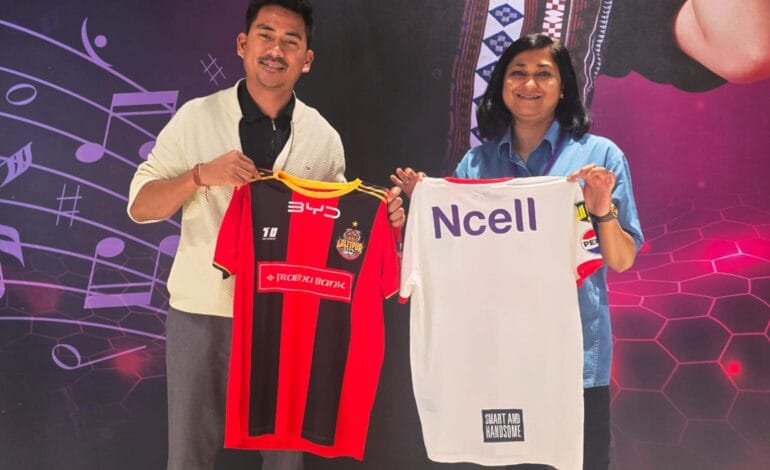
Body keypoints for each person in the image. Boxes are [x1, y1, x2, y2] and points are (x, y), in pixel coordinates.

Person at [127, 1, 404, 469]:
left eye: (290, 41)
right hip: (204, 315)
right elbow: (140, 206)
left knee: (284, 459)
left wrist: (383, 219)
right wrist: (200, 175)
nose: (276, 50)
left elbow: (338, 234)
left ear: (306, 58)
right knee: (189, 456)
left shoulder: (322, 137)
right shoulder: (196, 118)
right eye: (265, 35)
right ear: (243, 44)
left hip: (288, 321)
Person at [391, 33, 643, 470]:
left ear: (563, 87)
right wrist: (426, 205)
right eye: (517, 73)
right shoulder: (476, 165)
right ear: (501, 85)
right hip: (495, 360)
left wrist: (601, 209)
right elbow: (456, 264)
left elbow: (621, 259)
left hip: (572, 363)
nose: (529, 84)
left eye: (544, 74)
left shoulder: (599, 158)